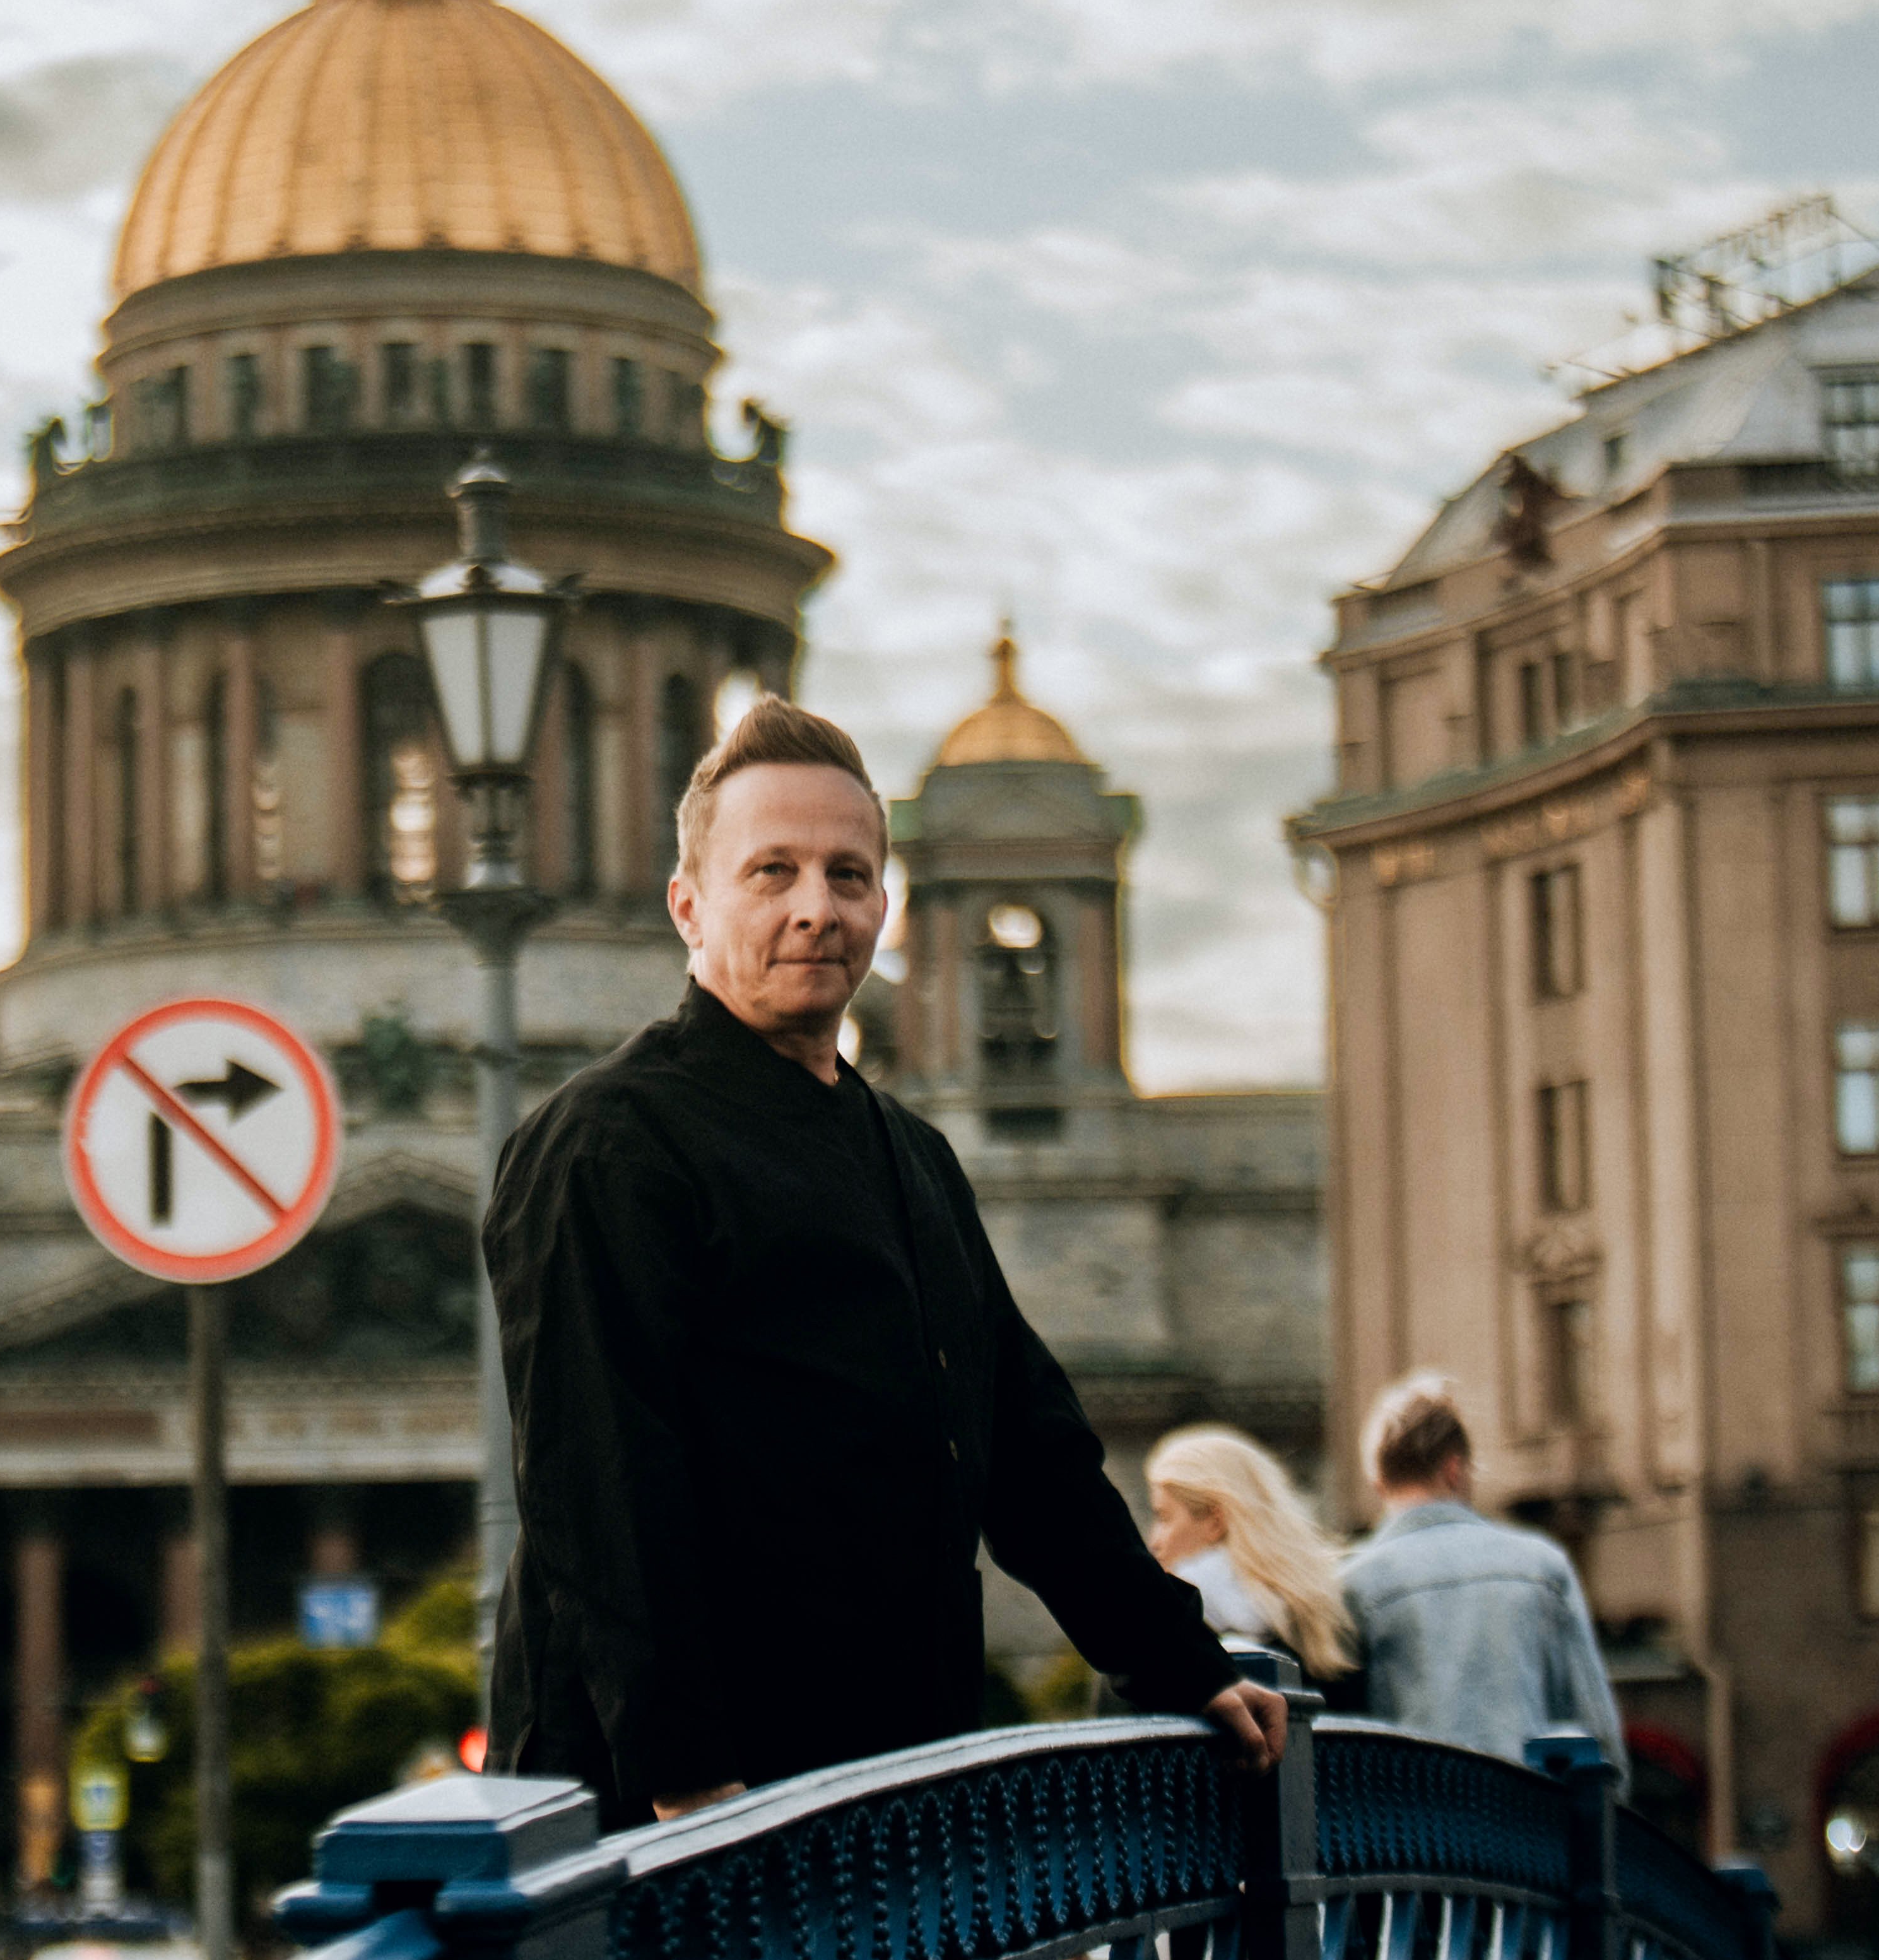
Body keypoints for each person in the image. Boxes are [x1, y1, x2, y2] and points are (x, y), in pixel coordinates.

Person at [483, 695, 1287, 1830]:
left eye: (848, 876)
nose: (816, 908)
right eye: (772, 872)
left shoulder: (910, 1154)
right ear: (688, 906)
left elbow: (1031, 1452)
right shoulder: (607, 1141)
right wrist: (692, 1782)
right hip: (676, 1818)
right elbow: (601, 1483)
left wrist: (1183, 1664)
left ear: (884, 907)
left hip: (888, 1779)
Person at [1337, 1372, 1622, 1764]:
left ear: (1378, 1481)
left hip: (1411, 1801)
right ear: (1455, 1469)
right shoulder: (1541, 1565)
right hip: (1524, 1800)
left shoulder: (1351, 1584)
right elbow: (1595, 1732)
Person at [1145, 1425, 1356, 1683]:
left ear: (1215, 1521)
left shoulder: (1163, 1629)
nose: (1154, 1541)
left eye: (1164, 1518)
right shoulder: (1327, 1616)